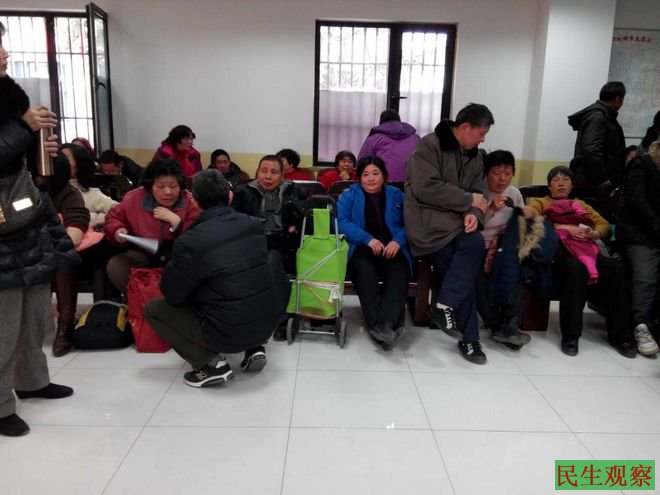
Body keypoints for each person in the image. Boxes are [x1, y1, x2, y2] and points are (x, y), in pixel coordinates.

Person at [0, 21, 78, 437]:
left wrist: (37, 148)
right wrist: (23, 129)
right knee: (3, 320)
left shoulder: (10, 97)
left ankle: (31, 380)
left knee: (34, 310)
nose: (5, 54)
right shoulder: (17, 114)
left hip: (24, 215)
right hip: (2, 225)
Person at [145, 169, 286, 387]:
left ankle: (210, 365)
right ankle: (254, 348)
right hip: (267, 324)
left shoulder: (191, 240)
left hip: (228, 331)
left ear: (194, 200)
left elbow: (172, 294)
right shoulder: (254, 225)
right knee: (242, 284)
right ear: (229, 196)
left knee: (154, 309)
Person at [404, 103, 492, 364]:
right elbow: (425, 187)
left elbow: (481, 194)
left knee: (475, 245)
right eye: (481, 133)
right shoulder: (429, 146)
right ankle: (470, 339)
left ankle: (443, 306)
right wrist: (467, 201)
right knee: (464, 269)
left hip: (457, 224)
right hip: (428, 227)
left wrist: (473, 213)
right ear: (464, 127)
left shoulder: (476, 156)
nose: (483, 139)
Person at [527, 166, 638, 357]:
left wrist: (594, 233)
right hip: (559, 255)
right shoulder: (540, 202)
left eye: (566, 180)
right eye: (556, 180)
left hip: (587, 251)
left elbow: (604, 225)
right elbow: (531, 220)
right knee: (575, 268)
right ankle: (571, 335)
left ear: (572, 185)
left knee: (616, 268)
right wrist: (563, 227)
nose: (561, 183)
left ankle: (622, 336)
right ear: (549, 185)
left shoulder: (581, 204)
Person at [338, 156, 411, 350]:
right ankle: (387, 327)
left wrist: (397, 241)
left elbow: (411, 222)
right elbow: (341, 221)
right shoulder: (350, 195)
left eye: (375, 173)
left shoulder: (397, 195)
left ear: (384, 176)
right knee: (365, 275)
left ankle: (382, 327)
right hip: (361, 248)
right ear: (359, 178)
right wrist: (367, 239)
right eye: (365, 174)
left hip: (391, 247)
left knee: (399, 273)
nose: (370, 178)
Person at [104, 158, 200, 295]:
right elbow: (113, 218)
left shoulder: (191, 201)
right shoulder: (134, 198)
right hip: (143, 254)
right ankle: (138, 299)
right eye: (160, 187)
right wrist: (117, 230)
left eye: (173, 186)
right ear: (149, 187)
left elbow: (199, 235)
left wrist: (177, 222)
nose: (168, 192)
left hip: (178, 258)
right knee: (117, 265)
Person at [476, 150, 536, 349]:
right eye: (496, 173)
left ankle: (511, 325)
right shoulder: (478, 193)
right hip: (481, 246)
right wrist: (491, 209)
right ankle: (495, 324)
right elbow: (471, 226)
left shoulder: (514, 193)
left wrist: (528, 215)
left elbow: (520, 226)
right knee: (477, 277)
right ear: (486, 173)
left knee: (517, 272)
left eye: (508, 173)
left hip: (506, 248)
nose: (502, 179)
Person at [616, 141, 660, 356]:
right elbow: (637, 201)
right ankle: (640, 325)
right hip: (639, 233)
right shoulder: (643, 164)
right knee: (646, 277)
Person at [49, 148, 92, 356]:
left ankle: (65, 324)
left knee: (64, 258)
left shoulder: (69, 194)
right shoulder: (21, 190)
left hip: (56, 252)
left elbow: (74, 232)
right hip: (22, 251)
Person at [232, 154, 307, 274]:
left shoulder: (296, 192)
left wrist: (295, 225)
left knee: (273, 259)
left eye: (274, 172)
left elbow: (304, 221)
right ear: (257, 172)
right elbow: (234, 222)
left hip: (284, 242)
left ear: (282, 175)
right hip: (252, 241)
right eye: (264, 171)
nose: (268, 177)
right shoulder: (243, 192)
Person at [567, 81, 627, 214]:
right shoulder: (598, 117)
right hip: (593, 186)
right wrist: (603, 179)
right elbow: (591, 149)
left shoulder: (601, 116)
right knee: (594, 221)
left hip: (594, 184)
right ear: (618, 99)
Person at [357, 109, 420, 183]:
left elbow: (361, 163)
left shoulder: (374, 139)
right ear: (399, 121)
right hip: (413, 183)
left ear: (381, 122)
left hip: (385, 184)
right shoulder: (416, 138)